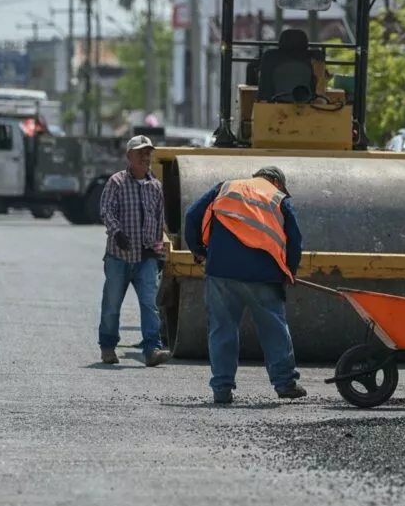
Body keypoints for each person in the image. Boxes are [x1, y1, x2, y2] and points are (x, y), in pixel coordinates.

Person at [183, 166, 306, 404]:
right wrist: (288, 273)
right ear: (277, 182)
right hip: (264, 275)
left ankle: (221, 389)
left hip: (221, 272)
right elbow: (295, 242)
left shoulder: (225, 187)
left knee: (222, 329)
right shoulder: (278, 198)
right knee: (274, 329)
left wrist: (199, 250)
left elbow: (191, 215)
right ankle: (284, 383)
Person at [96, 134, 171, 367]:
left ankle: (152, 349)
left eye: (148, 153)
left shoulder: (155, 186)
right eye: (140, 153)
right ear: (129, 156)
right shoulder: (116, 182)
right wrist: (116, 232)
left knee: (150, 304)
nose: (145, 157)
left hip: (146, 257)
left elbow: (159, 221)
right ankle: (108, 347)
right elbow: (106, 210)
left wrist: (158, 252)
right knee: (112, 305)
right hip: (119, 257)